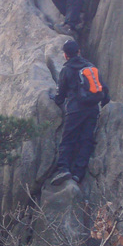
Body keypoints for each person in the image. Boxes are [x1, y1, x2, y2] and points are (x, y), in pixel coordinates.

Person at [49, 39, 110, 186]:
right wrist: (104, 104)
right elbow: (104, 88)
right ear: (79, 51)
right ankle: (78, 173)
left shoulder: (67, 70)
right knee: (86, 140)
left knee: (68, 138)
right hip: (92, 109)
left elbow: (61, 94)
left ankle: (63, 168)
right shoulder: (90, 67)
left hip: (75, 110)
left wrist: (54, 99)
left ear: (65, 55)